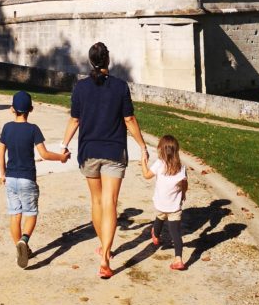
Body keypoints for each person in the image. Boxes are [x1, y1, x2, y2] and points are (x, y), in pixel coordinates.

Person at [60, 42, 148, 279]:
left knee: (97, 201)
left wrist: (63, 145)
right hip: (113, 151)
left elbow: (74, 121)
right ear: (107, 60)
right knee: (110, 202)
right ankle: (105, 257)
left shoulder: (80, 88)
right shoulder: (120, 87)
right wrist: (142, 146)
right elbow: (129, 119)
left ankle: (103, 246)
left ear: (90, 61)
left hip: (89, 151)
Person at [0, 89, 70, 268]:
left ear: (12, 109)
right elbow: (44, 154)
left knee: (15, 216)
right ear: (31, 109)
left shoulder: (7, 128)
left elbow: (1, 153)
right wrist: (62, 157)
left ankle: (20, 248)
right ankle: (24, 240)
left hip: (11, 178)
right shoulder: (33, 129)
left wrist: (3, 173)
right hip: (27, 179)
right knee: (31, 214)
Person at [141, 134, 188, 270]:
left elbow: (146, 175)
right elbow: (185, 185)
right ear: (176, 150)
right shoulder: (181, 168)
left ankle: (155, 235)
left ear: (160, 149)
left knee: (159, 218)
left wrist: (143, 162)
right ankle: (178, 259)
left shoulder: (159, 164)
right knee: (175, 234)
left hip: (161, 204)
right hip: (174, 207)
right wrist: (183, 194)